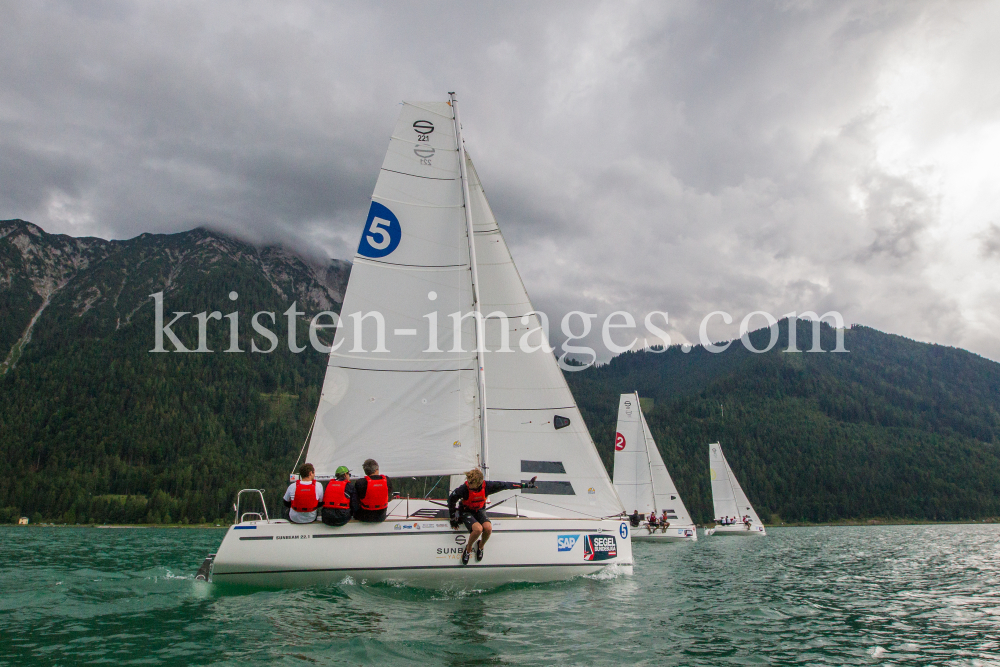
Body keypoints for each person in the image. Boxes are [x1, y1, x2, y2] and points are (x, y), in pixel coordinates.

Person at [447, 468, 536, 566]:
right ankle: (468, 549)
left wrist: (526, 485)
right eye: (468, 482)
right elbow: (451, 500)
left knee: (488, 528)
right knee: (478, 529)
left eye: (471, 483)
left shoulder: (488, 486)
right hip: (466, 511)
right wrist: (452, 518)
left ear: (479, 483)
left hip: (479, 510)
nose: (468, 484)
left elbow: (506, 485)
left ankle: (480, 546)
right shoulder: (464, 488)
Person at [354, 459, 392, 523]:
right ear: (376, 470)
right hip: (381, 517)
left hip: (364, 517)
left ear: (365, 471)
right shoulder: (386, 480)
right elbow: (389, 492)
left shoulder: (360, 482)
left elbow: (355, 500)